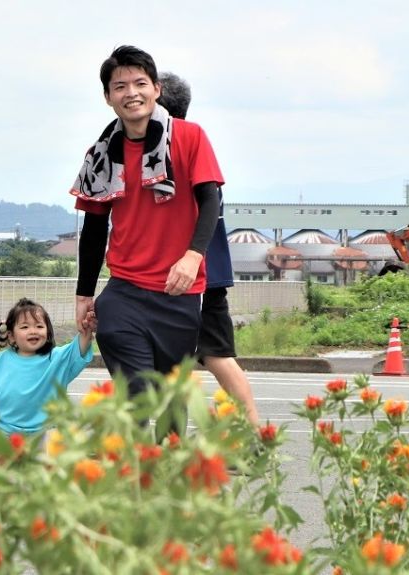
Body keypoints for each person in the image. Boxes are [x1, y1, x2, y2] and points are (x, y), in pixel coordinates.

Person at [71, 45, 221, 398]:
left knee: (171, 401)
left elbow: (209, 199)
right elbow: (93, 230)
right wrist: (84, 294)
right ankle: (131, 452)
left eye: (140, 83)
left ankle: (168, 454)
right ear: (108, 97)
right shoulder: (101, 155)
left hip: (179, 289)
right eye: (120, 86)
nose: (131, 93)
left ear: (157, 89)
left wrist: (193, 255)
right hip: (124, 290)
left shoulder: (189, 136)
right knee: (136, 395)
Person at [157, 72, 259, 427]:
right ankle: (170, 438)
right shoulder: (181, 147)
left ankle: (248, 436)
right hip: (204, 273)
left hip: (195, 277)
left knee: (214, 354)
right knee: (199, 355)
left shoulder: (180, 147)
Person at [0, 298, 94, 434]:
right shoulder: (3, 359)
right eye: (25, 327)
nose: (33, 331)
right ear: (11, 336)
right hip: (5, 432)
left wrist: (87, 327)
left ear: (48, 331)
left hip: (46, 433)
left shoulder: (58, 358)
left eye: (39, 326)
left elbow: (80, 345)